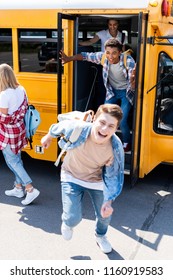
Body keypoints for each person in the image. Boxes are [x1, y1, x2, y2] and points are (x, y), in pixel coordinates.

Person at [41, 104, 124, 254]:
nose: (105, 129)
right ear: (94, 120)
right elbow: (59, 126)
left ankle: (101, 236)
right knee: (73, 218)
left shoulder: (115, 147)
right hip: (71, 175)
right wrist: (48, 137)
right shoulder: (78, 128)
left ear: (116, 128)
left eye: (111, 126)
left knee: (105, 215)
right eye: (102, 123)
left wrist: (108, 200)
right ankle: (68, 221)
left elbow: (112, 176)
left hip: (96, 181)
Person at [60, 38, 136, 152]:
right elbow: (85, 56)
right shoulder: (103, 57)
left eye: (114, 53)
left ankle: (126, 142)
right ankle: (100, 139)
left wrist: (133, 80)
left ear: (120, 52)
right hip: (112, 91)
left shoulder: (128, 61)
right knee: (102, 116)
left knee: (123, 119)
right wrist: (69, 59)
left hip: (126, 92)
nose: (111, 56)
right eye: (108, 53)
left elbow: (133, 85)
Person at [0, 63, 40, 205]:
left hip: (8, 133)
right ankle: (18, 188)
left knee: (12, 161)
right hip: (20, 129)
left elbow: (4, 118)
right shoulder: (21, 89)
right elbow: (23, 108)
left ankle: (29, 189)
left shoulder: (4, 95)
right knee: (17, 159)